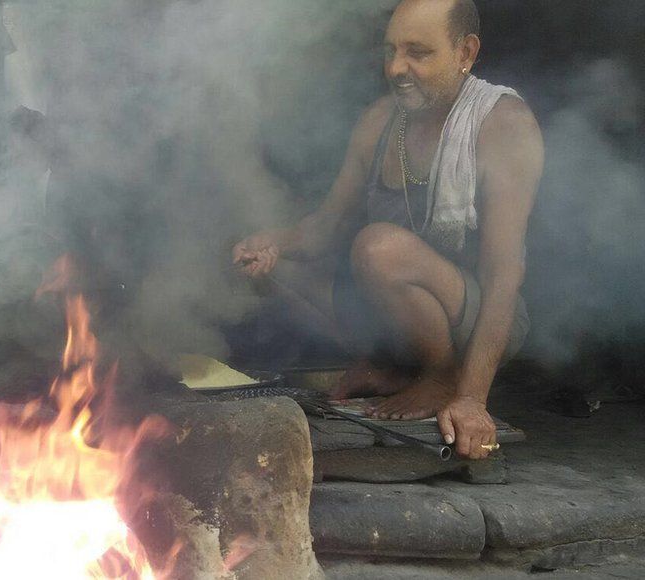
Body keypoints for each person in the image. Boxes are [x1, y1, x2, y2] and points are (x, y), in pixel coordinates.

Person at [232, 0, 543, 460]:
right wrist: (274, 243)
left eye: (418, 52)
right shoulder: (381, 120)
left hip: (475, 318)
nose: (397, 68)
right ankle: (393, 367)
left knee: (377, 248)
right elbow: (327, 225)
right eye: (391, 51)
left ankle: (439, 376)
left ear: (466, 52)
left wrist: (472, 398)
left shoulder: (502, 123)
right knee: (279, 271)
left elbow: (503, 273)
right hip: (392, 316)